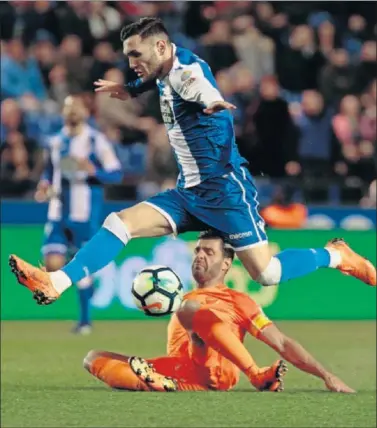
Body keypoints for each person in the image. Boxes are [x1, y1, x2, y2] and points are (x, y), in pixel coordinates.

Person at [8, 17, 376, 307]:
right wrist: (131, 88)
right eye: (128, 56)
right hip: (188, 193)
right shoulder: (165, 66)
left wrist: (212, 103)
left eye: (136, 55)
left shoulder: (188, 73)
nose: (131, 62)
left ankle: (334, 255)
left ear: (161, 46)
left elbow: (199, 88)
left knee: (268, 273)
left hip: (225, 192)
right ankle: (55, 282)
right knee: (119, 223)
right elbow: (161, 80)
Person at [83, 231, 355, 393]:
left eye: (209, 252)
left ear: (227, 263)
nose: (199, 256)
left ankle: (256, 374)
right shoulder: (183, 295)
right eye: (197, 250)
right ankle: (162, 384)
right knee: (94, 358)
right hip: (181, 370)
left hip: (214, 371)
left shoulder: (238, 301)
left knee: (188, 310)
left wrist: (325, 375)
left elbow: (282, 342)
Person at [34, 95, 123, 333]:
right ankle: (86, 284)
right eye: (67, 107)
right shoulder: (54, 141)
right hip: (57, 214)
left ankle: (84, 321)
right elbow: (49, 172)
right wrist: (43, 186)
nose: (71, 111)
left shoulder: (96, 141)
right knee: (53, 266)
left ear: (86, 111)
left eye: (76, 107)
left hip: (84, 216)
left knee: (81, 269)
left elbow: (116, 174)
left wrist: (95, 172)